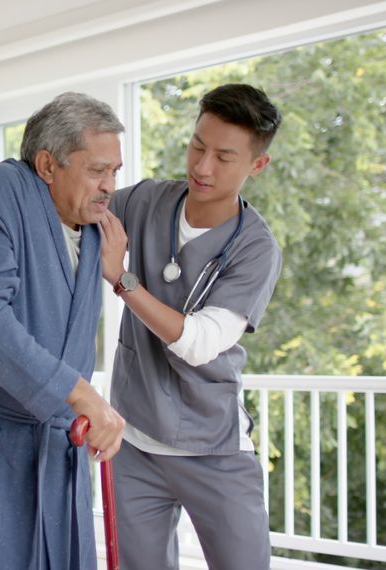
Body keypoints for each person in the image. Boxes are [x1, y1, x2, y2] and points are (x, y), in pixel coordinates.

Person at [0, 92, 127, 570]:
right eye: (98, 169)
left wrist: (122, 278)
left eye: (115, 171)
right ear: (47, 164)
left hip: (59, 445)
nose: (109, 185)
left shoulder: (94, 224)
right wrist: (81, 394)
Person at [98, 83, 283, 570]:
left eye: (224, 157)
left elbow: (199, 344)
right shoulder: (146, 202)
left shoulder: (255, 249)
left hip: (211, 447)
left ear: (256, 166)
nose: (202, 167)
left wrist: (123, 280)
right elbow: (83, 216)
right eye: (198, 146)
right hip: (134, 440)